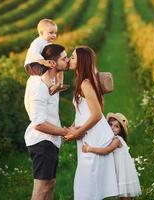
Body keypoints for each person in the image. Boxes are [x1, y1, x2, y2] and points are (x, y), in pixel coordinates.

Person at [65, 46, 118, 200]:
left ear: (81, 62)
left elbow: (96, 114)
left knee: (89, 182)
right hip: (89, 133)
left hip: (93, 135)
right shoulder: (85, 79)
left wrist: (77, 132)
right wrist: (73, 126)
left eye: (73, 57)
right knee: (89, 181)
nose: (69, 59)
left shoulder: (85, 83)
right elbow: (85, 111)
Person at [24, 44, 70, 200]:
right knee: (41, 188)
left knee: (50, 185)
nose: (68, 60)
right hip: (42, 142)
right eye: (64, 58)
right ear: (52, 63)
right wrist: (65, 131)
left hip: (50, 141)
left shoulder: (50, 83)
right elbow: (39, 123)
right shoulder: (39, 86)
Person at [82, 112, 142, 199]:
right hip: (118, 170)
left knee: (125, 196)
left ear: (120, 130)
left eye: (116, 126)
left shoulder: (117, 140)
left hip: (122, 172)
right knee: (124, 196)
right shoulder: (111, 139)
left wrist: (89, 149)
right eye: (110, 124)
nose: (112, 128)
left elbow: (106, 151)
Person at [24, 18, 69, 95]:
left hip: (44, 63)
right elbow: (35, 54)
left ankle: (60, 84)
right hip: (32, 64)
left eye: (55, 33)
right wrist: (44, 62)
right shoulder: (37, 42)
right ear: (41, 33)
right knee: (43, 70)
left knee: (60, 67)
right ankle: (51, 87)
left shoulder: (48, 43)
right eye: (51, 33)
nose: (54, 35)